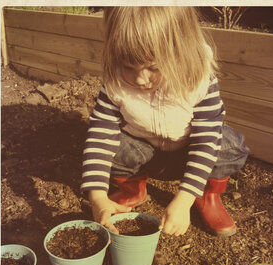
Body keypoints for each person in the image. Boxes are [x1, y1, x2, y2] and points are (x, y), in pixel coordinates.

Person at [81, 7, 249, 237]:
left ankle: (206, 196)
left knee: (227, 144)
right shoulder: (115, 83)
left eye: (153, 67)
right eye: (128, 66)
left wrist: (184, 199)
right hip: (145, 153)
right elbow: (100, 134)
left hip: (190, 153)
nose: (140, 79)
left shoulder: (197, 79)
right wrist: (97, 196)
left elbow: (205, 141)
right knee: (112, 143)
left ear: (181, 52)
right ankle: (132, 188)